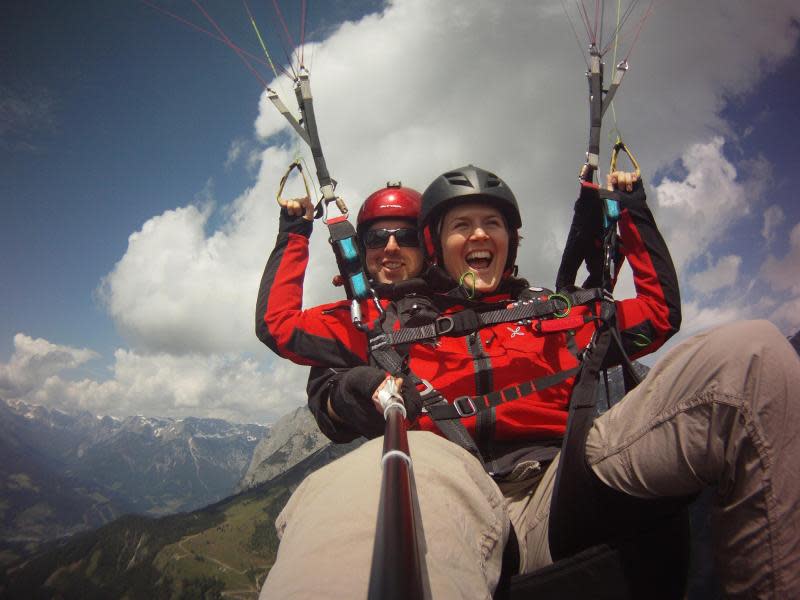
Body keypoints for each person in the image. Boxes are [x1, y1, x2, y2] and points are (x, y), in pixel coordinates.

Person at [256, 166, 800, 599]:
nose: (477, 234)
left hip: (564, 488)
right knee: (368, 487)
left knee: (750, 354)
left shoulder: (554, 313)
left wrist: (630, 213)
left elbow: (658, 316)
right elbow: (280, 328)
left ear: (511, 241)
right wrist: (295, 234)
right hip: (451, 488)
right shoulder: (389, 327)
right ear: (438, 247)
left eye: (491, 224)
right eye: (460, 225)